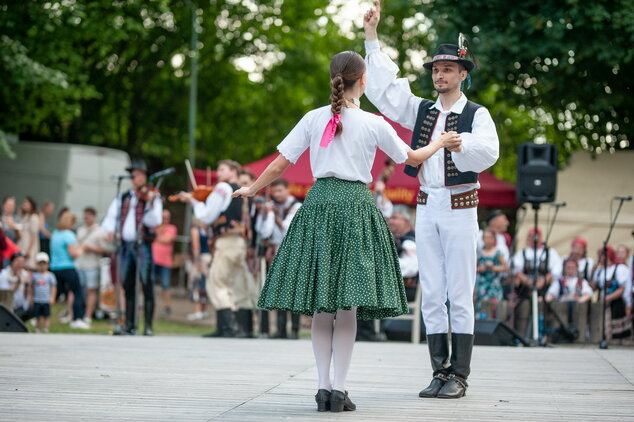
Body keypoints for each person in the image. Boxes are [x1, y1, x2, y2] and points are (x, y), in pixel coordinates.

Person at [233, 49, 445, 412]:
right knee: (347, 303)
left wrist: (251, 189)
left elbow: (281, 163)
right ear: (363, 81)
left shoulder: (314, 118)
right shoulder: (375, 123)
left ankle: (322, 387)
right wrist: (439, 142)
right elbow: (410, 158)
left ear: (333, 78)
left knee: (321, 305)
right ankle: (340, 390)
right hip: (356, 207)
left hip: (318, 206)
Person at [363, 1, 500, 399]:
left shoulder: (476, 114)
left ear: (462, 74)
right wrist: (372, 37)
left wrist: (464, 143)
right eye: (436, 69)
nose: (439, 75)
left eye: (447, 69)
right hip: (426, 205)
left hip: (460, 206)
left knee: (459, 290)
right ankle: (439, 371)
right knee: (432, 288)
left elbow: (489, 152)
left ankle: (460, 374)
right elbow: (386, 92)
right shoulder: (422, 111)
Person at [176, 159, 250, 338]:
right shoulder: (239, 190)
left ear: (234, 171)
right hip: (238, 243)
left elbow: (208, 215)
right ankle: (227, 326)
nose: (218, 173)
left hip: (226, 242)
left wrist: (194, 200)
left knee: (216, 283)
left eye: (223, 169)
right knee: (228, 284)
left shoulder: (222, 188)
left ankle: (228, 327)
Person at [102, 159, 163, 336]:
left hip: (142, 244)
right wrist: (109, 230)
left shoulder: (152, 196)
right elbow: (110, 217)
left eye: (139, 174)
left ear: (144, 176)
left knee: (147, 283)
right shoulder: (123, 197)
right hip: (125, 245)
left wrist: (150, 204)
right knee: (128, 284)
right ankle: (129, 323)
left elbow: (155, 221)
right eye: (134, 174)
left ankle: (148, 326)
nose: (136, 177)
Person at [255, 178, 302, 339]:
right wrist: (266, 215)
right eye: (275, 192)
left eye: (280, 191)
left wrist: (275, 216)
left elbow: (288, 229)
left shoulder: (296, 206)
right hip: (275, 251)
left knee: (293, 291)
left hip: (292, 252)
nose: (277, 194)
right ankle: (281, 329)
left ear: (288, 190)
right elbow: (265, 232)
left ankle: (294, 330)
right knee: (279, 290)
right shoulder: (271, 207)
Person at [511, 228, 562, 338]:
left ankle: (543, 336)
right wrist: (526, 280)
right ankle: (521, 335)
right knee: (523, 310)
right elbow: (516, 269)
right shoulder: (523, 253)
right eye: (529, 236)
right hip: (525, 289)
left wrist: (543, 281)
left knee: (544, 310)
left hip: (544, 288)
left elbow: (556, 270)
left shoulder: (550, 253)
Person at [50, 210, 89, 329]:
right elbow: (73, 254)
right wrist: (81, 249)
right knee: (77, 292)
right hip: (68, 267)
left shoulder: (55, 233)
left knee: (55, 295)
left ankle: (37, 316)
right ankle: (77, 319)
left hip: (55, 268)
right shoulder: (69, 235)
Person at [545, 258, 592, 343]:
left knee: (580, 308)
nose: (570, 270)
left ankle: (579, 338)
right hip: (563, 306)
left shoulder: (581, 282)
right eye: (568, 267)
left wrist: (581, 300)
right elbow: (551, 294)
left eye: (572, 267)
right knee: (559, 308)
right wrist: (549, 298)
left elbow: (588, 293)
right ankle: (561, 336)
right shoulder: (559, 282)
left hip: (576, 306)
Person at [590, 246, 632, 342]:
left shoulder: (620, 268)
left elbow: (623, 288)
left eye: (601, 256)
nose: (600, 258)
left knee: (618, 330)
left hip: (616, 303)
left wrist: (609, 297)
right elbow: (593, 288)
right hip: (602, 303)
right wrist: (592, 271)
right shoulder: (599, 271)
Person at [76, 207, 108, 324]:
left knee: (91, 290)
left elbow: (104, 249)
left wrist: (91, 248)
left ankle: (88, 315)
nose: (86, 219)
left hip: (92, 265)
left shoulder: (100, 231)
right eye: (85, 216)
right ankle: (76, 314)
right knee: (79, 290)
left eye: (88, 216)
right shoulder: (80, 230)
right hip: (80, 264)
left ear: (94, 217)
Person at [476, 229, 507, 320]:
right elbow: (474, 268)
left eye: (489, 237)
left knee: (495, 308)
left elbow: (505, 267)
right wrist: (481, 268)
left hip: (494, 285)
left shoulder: (497, 252)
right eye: (485, 238)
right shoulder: (479, 253)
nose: (487, 240)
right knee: (483, 308)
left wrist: (493, 267)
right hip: (482, 285)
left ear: (494, 239)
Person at [153, 209, 177, 318]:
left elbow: (167, 240)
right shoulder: (155, 227)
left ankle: (167, 307)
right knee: (149, 284)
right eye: (163, 218)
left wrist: (157, 237)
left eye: (167, 218)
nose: (165, 220)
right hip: (153, 260)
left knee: (166, 285)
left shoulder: (172, 228)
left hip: (165, 262)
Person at [186, 218, 211, 321]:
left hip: (201, 259)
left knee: (197, 284)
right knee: (205, 284)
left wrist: (196, 262)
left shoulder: (195, 230)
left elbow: (196, 247)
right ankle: (203, 310)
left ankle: (198, 311)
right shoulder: (209, 230)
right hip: (209, 259)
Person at [30, 252, 57, 333]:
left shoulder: (50, 276)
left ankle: (46, 328)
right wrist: (31, 297)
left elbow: (53, 287)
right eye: (40, 264)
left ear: (48, 265)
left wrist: (52, 297)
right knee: (37, 315)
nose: (42, 266)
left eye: (44, 264)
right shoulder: (35, 276)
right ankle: (37, 328)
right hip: (37, 299)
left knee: (46, 315)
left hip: (46, 299)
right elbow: (32, 287)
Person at [0, 252, 32, 321]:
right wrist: (18, 282)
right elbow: (6, 294)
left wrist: (26, 286)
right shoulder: (4, 275)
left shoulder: (25, 275)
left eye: (22, 262)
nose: (20, 264)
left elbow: (27, 297)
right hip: (6, 307)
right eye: (17, 261)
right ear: (11, 262)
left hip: (21, 308)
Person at [18, 196, 40, 269]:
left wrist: (28, 251)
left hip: (29, 249)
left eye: (26, 203)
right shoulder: (25, 217)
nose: (24, 204)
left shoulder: (34, 218)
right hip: (22, 247)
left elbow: (34, 236)